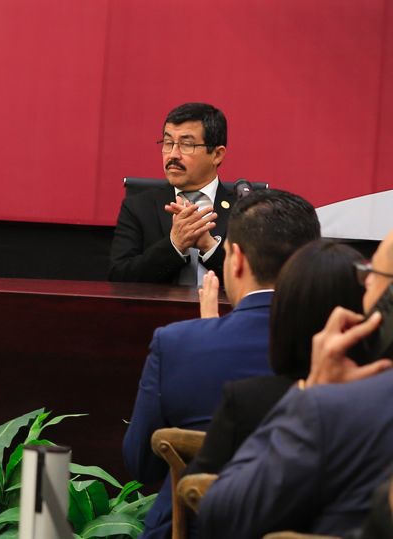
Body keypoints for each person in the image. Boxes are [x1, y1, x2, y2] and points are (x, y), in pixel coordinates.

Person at [121, 189, 320, 539]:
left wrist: (206, 334)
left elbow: (142, 463)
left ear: (236, 259)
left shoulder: (178, 345)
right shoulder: (347, 352)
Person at [198, 228, 393, 539]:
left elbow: (220, 516)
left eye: (371, 274)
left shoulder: (335, 408)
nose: (365, 284)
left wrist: (311, 392)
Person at [188, 240, 366, 474]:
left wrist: (210, 334)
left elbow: (196, 494)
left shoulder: (246, 402)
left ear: (284, 309)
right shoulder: (379, 400)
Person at [109, 102, 238, 284]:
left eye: (186, 145)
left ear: (217, 154)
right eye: (168, 143)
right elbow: (119, 278)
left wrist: (210, 247)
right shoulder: (139, 207)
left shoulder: (245, 209)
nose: (173, 155)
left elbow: (259, 282)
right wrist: (174, 245)